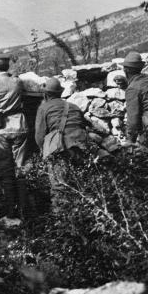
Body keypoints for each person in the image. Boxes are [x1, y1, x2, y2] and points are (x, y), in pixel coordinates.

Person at [34, 78, 89, 213]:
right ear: (60, 93)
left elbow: (39, 136)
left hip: (60, 147)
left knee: (60, 186)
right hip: (81, 145)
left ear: (45, 94)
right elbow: (83, 125)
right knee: (81, 182)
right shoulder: (74, 106)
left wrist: (44, 150)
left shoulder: (44, 108)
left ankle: (63, 218)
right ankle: (86, 212)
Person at [0, 52, 29, 217]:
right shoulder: (16, 81)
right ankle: (25, 210)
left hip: (0, 129)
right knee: (21, 169)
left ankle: (11, 211)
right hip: (19, 125)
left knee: (6, 172)